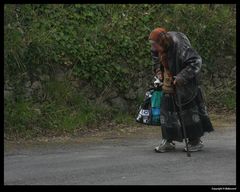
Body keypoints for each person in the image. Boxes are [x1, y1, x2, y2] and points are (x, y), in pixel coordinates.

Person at [149, 27, 214, 153]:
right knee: (166, 110)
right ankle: (168, 140)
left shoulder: (179, 44)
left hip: (186, 81)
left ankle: (195, 141)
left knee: (188, 111)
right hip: (168, 79)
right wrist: (158, 71)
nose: (153, 48)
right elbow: (155, 59)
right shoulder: (156, 46)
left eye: (155, 45)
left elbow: (196, 61)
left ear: (162, 42)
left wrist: (181, 77)